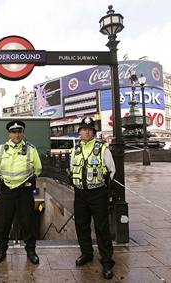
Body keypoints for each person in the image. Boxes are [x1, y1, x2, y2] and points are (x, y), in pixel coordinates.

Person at [70, 117, 116, 280]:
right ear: (80, 132)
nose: (86, 132)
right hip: (80, 193)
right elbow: (71, 169)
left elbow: (111, 170)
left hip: (97, 193)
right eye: (83, 129)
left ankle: (107, 261)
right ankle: (86, 254)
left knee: (101, 227)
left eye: (89, 129)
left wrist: (104, 187)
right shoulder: (74, 149)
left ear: (94, 133)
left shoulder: (103, 148)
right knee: (81, 225)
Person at [0, 120, 42, 265]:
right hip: (6, 192)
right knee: (3, 223)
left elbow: (38, 168)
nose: (17, 134)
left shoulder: (31, 149)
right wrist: (1, 178)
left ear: (22, 133)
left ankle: (31, 251)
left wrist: (31, 179)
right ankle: (1, 250)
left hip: (24, 192)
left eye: (19, 132)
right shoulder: (2, 149)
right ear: (10, 134)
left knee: (28, 223)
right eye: (14, 132)